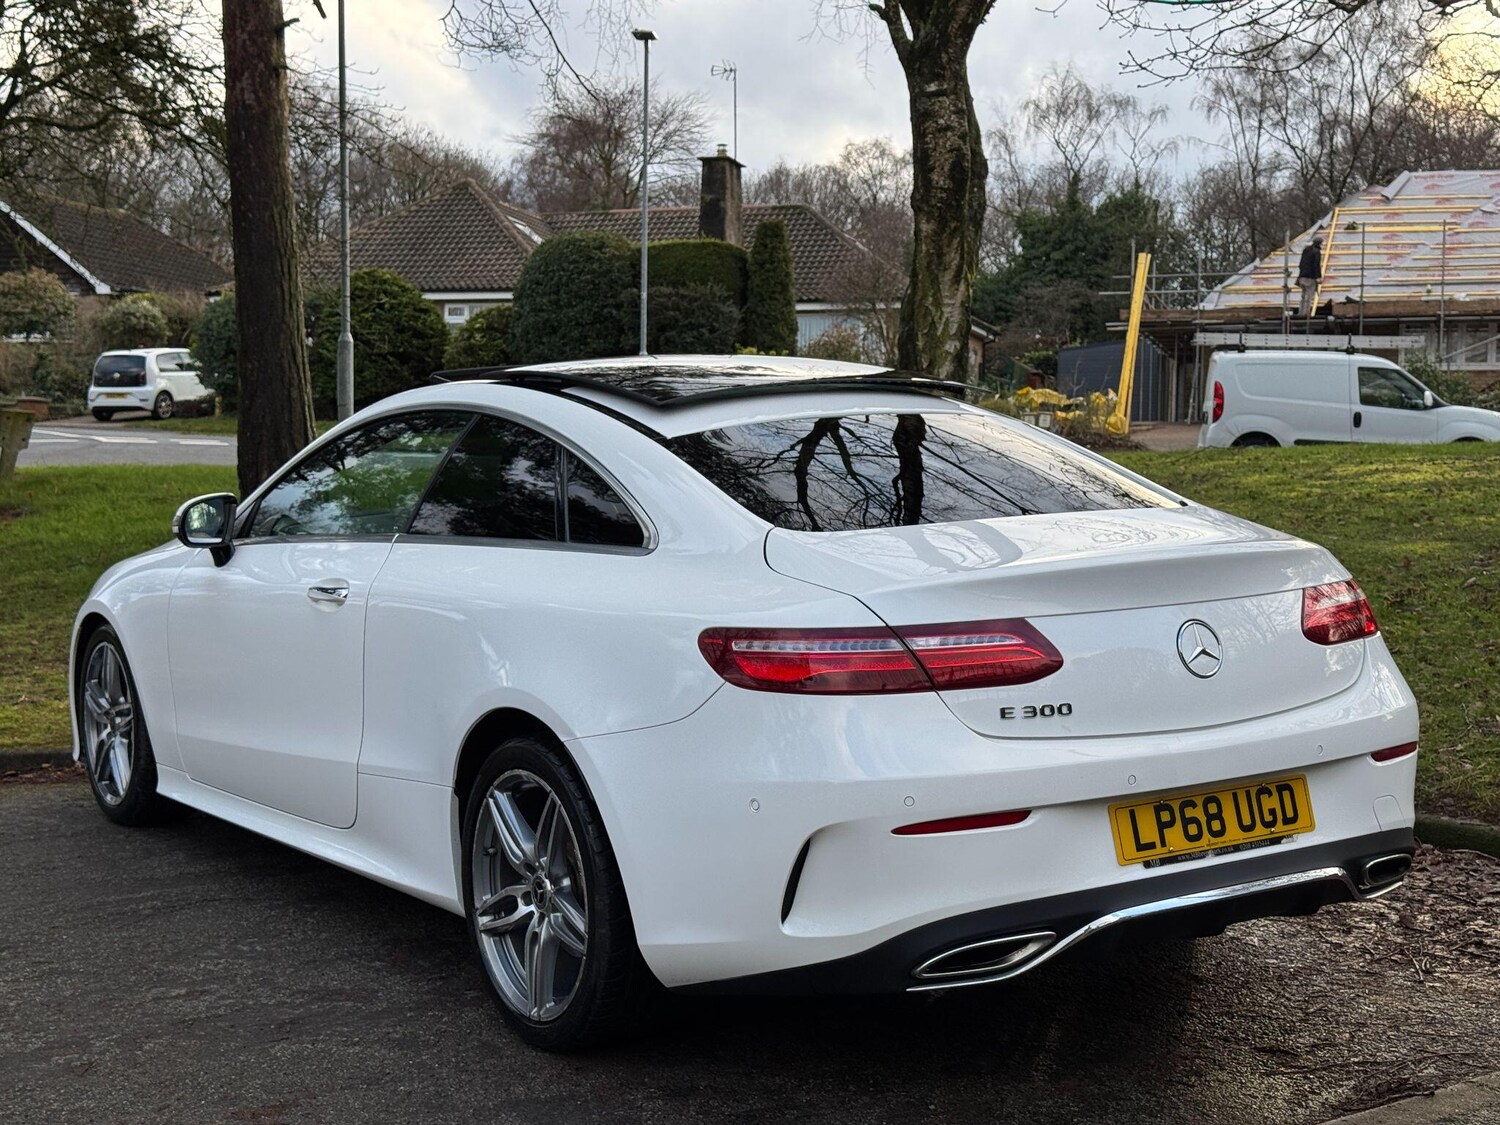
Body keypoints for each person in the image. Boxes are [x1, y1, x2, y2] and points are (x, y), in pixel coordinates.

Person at [1297, 233, 1324, 318]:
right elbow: (1316, 265)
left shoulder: (1306, 250)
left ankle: (1300, 313)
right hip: (1310, 278)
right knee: (1308, 297)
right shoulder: (1316, 252)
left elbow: (1301, 264)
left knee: (1303, 296)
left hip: (1302, 277)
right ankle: (1305, 315)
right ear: (1319, 243)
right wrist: (1318, 277)